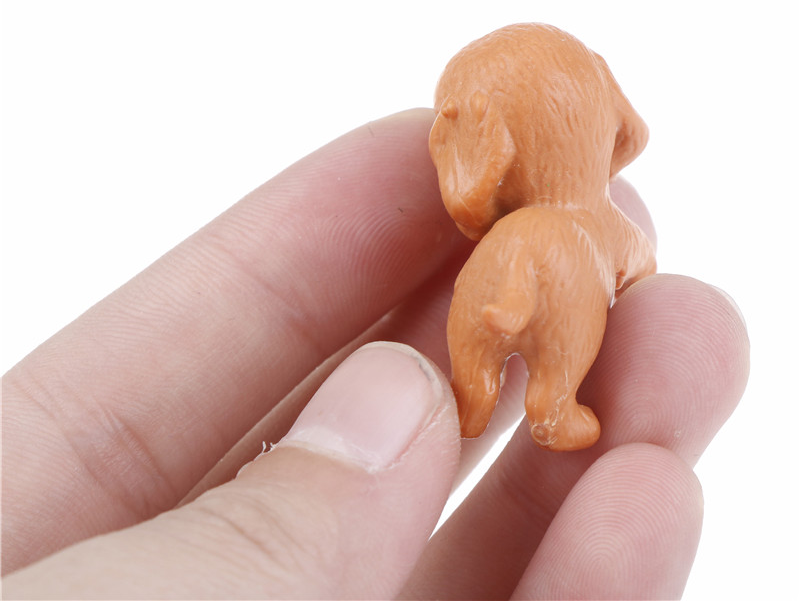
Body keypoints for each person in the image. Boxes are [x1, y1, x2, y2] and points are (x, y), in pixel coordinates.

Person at [2, 109, 749, 599]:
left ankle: (478, 394)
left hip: (496, 277)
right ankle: (551, 404)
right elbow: (632, 252)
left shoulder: (507, 225)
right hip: (563, 274)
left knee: (477, 348)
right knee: (564, 379)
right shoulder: (593, 222)